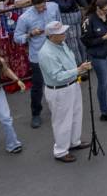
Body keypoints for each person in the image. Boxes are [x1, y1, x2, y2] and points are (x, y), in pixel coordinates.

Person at [33, 20, 87, 162]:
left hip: (72, 84)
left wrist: (76, 72)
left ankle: (74, 142)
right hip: (59, 90)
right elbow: (57, 76)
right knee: (62, 121)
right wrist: (78, 70)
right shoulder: (46, 53)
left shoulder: (60, 43)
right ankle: (61, 151)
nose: (64, 34)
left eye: (63, 31)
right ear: (51, 36)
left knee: (76, 114)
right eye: (60, 33)